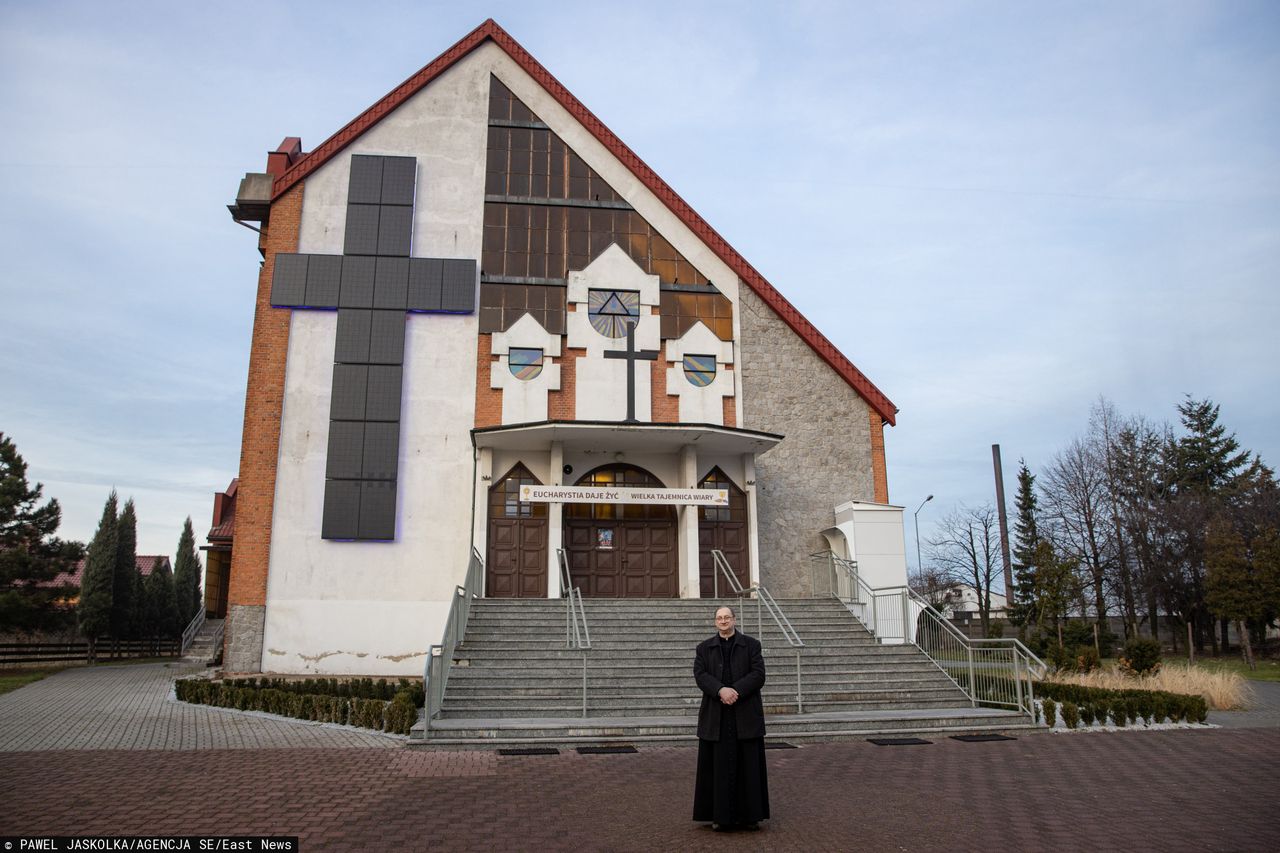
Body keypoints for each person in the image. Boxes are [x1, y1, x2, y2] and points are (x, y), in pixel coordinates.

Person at [692, 604, 770, 831]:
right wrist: (720, 690)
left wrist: (735, 690)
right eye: (719, 618)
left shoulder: (752, 646)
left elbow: (758, 674)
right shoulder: (704, 648)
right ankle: (720, 816)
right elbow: (700, 675)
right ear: (715, 622)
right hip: (716, 716)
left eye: (727, 617)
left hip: (744, 713)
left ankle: (750, 816)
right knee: (717, 767)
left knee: (748, 765)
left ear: (734, 620)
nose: (723, 621)